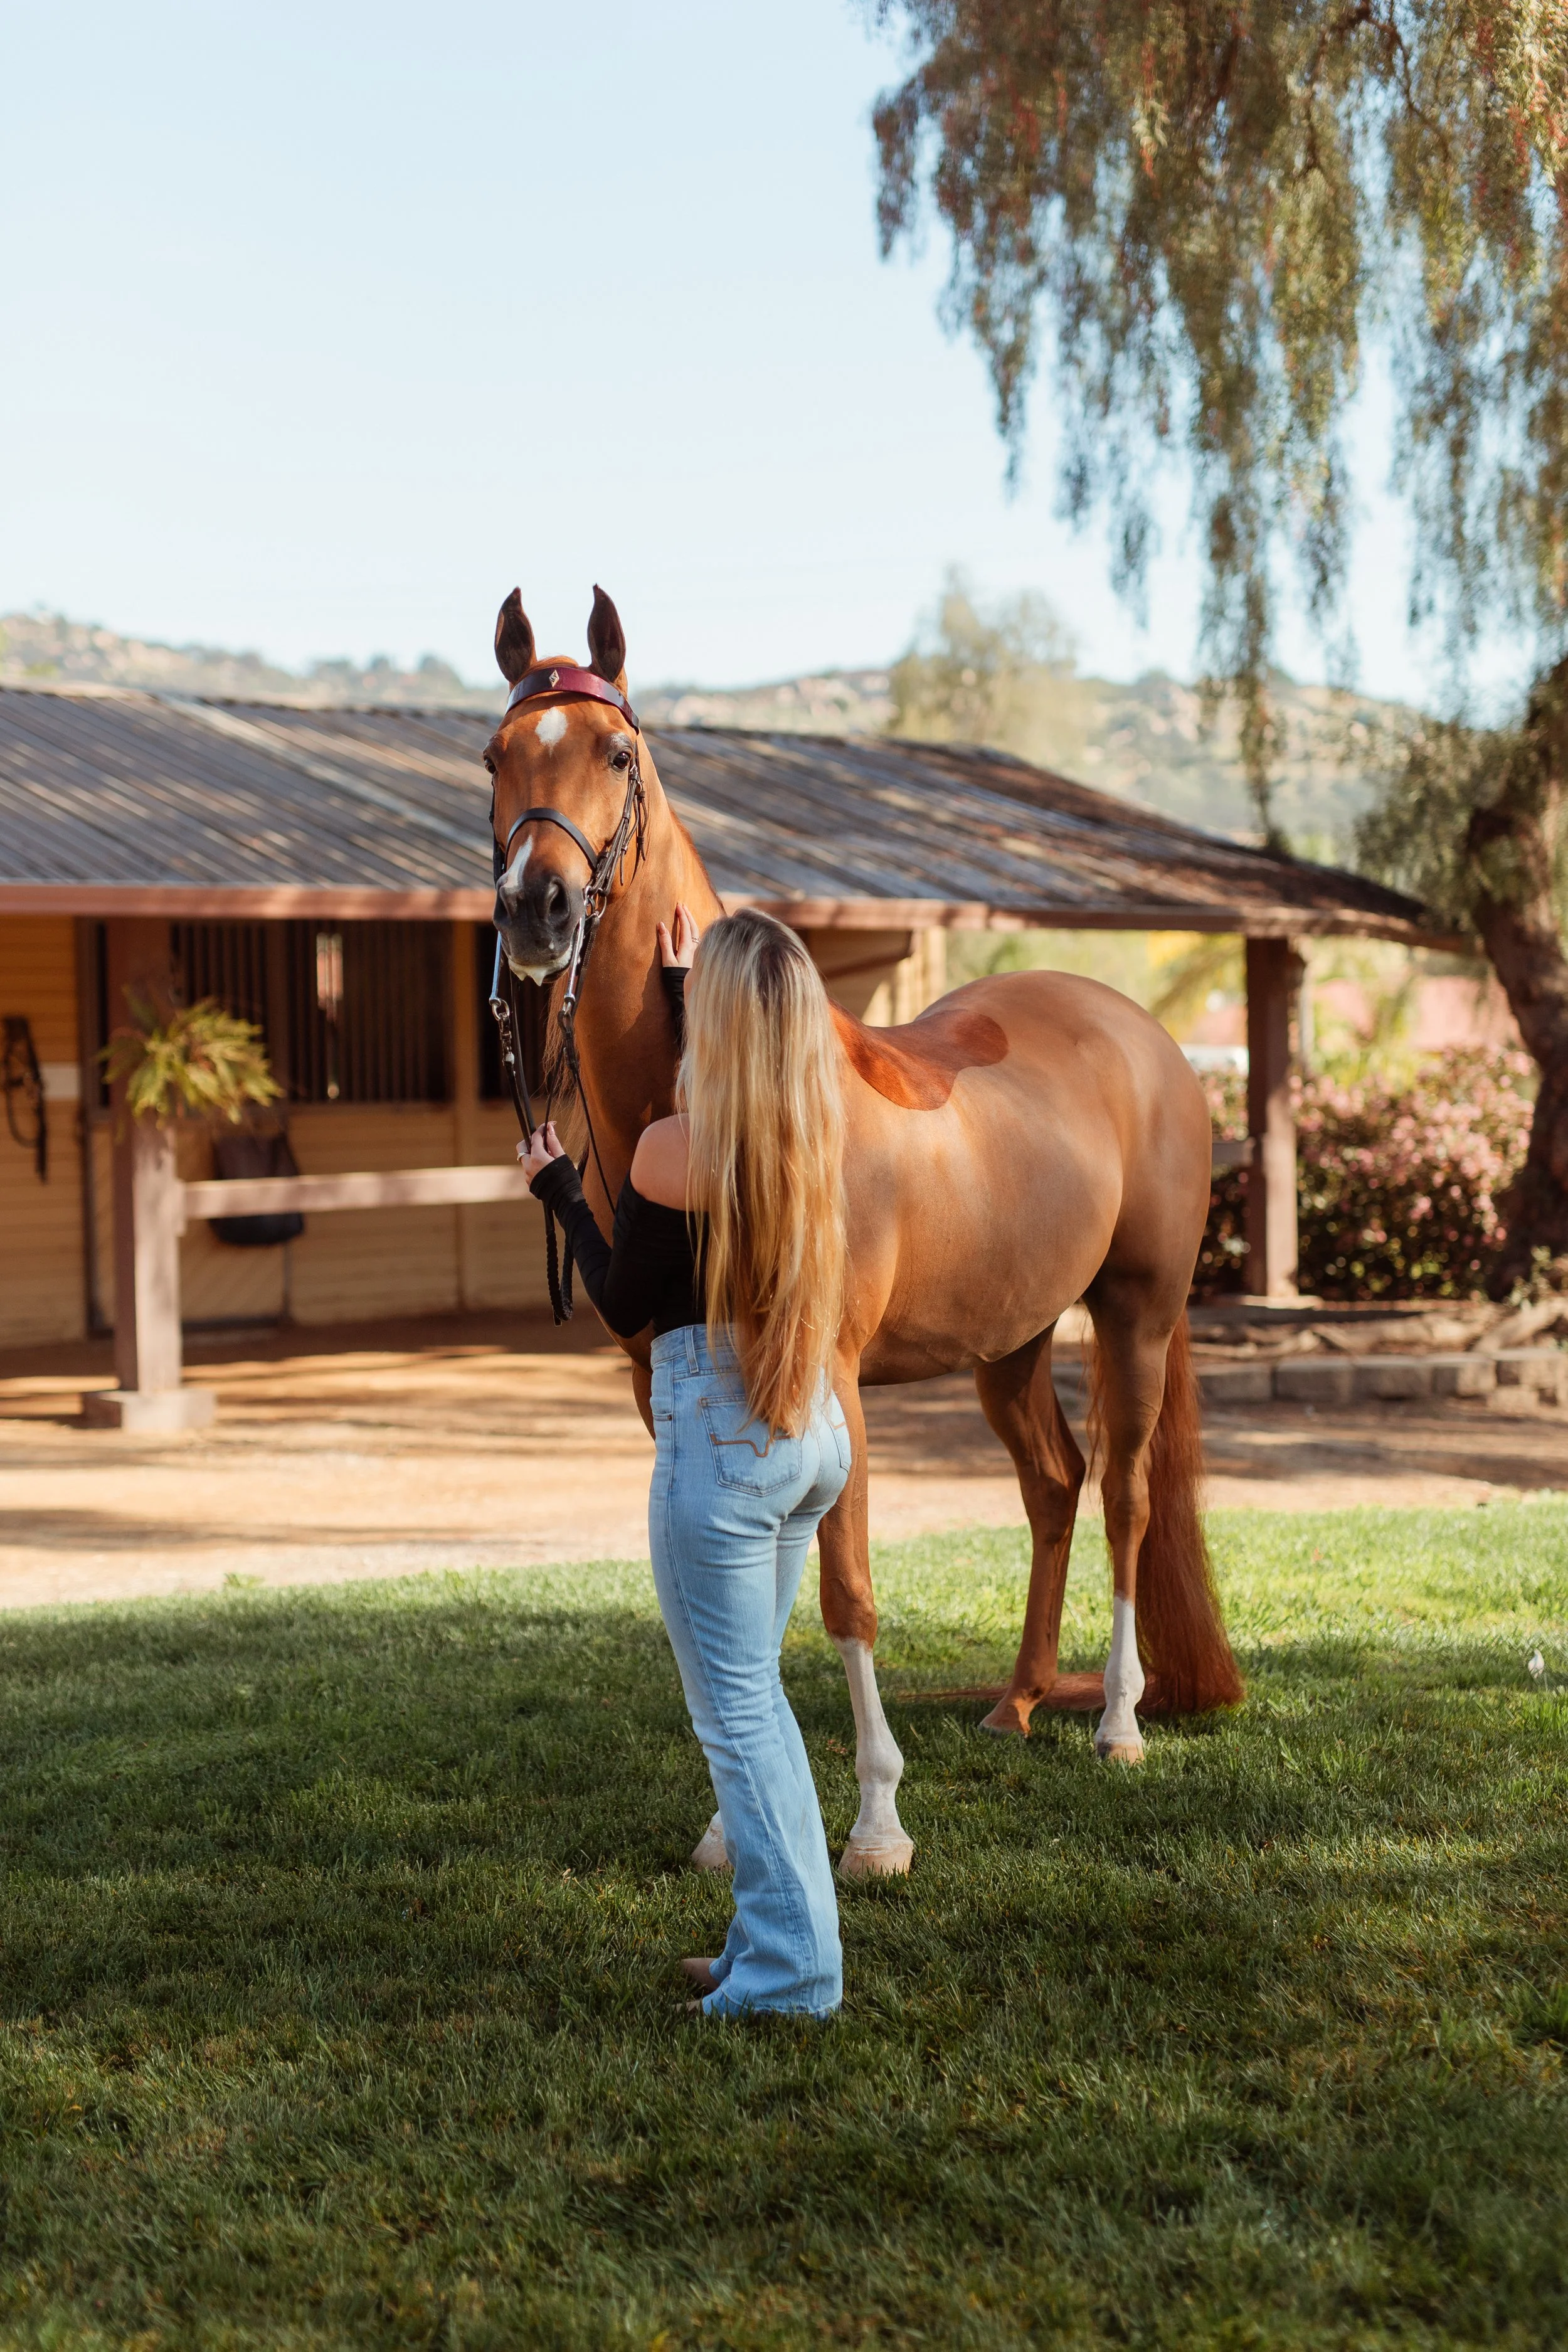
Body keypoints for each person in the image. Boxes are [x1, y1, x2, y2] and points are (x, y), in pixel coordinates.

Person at [521, 905, 853, 2018]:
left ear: (716, 1022)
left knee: (740, 1715)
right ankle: (770, 1935)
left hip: (720, 1441)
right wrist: (682, 986)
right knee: (762, 1703)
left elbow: (623, 1301)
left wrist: (561, 1187)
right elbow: (737, 1078)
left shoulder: (672, 1148)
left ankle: (794, 1973)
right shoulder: (811, 1133)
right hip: (808, 1438)